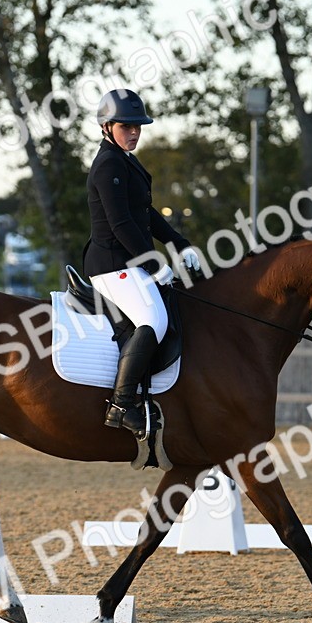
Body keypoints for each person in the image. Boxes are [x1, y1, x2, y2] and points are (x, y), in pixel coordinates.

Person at [84, 89, 200, 436]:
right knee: (153, 319)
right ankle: (121, 405)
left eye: (138, 126)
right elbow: (120, 224)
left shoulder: (126, 160)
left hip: (128, 262)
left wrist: (178, 243)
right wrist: (152, 263)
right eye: (126, 126)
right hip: (111, 264)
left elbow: (144, 213)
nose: (134, 132)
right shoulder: (108, 165)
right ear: (106, 126)